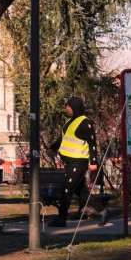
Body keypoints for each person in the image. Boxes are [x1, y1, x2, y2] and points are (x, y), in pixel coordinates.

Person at [48, 96, 99, 227]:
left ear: (74, 107)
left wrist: (93, 162)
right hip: (70, 162)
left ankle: (61, 218)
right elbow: (62, 139)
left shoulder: (85, 122)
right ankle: (102, 210)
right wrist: (52, 148)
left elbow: (92, 143)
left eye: (68, 107)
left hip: (79, 161)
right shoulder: (69, 122)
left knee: (66, 188)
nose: (66, 109)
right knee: (79, 190)